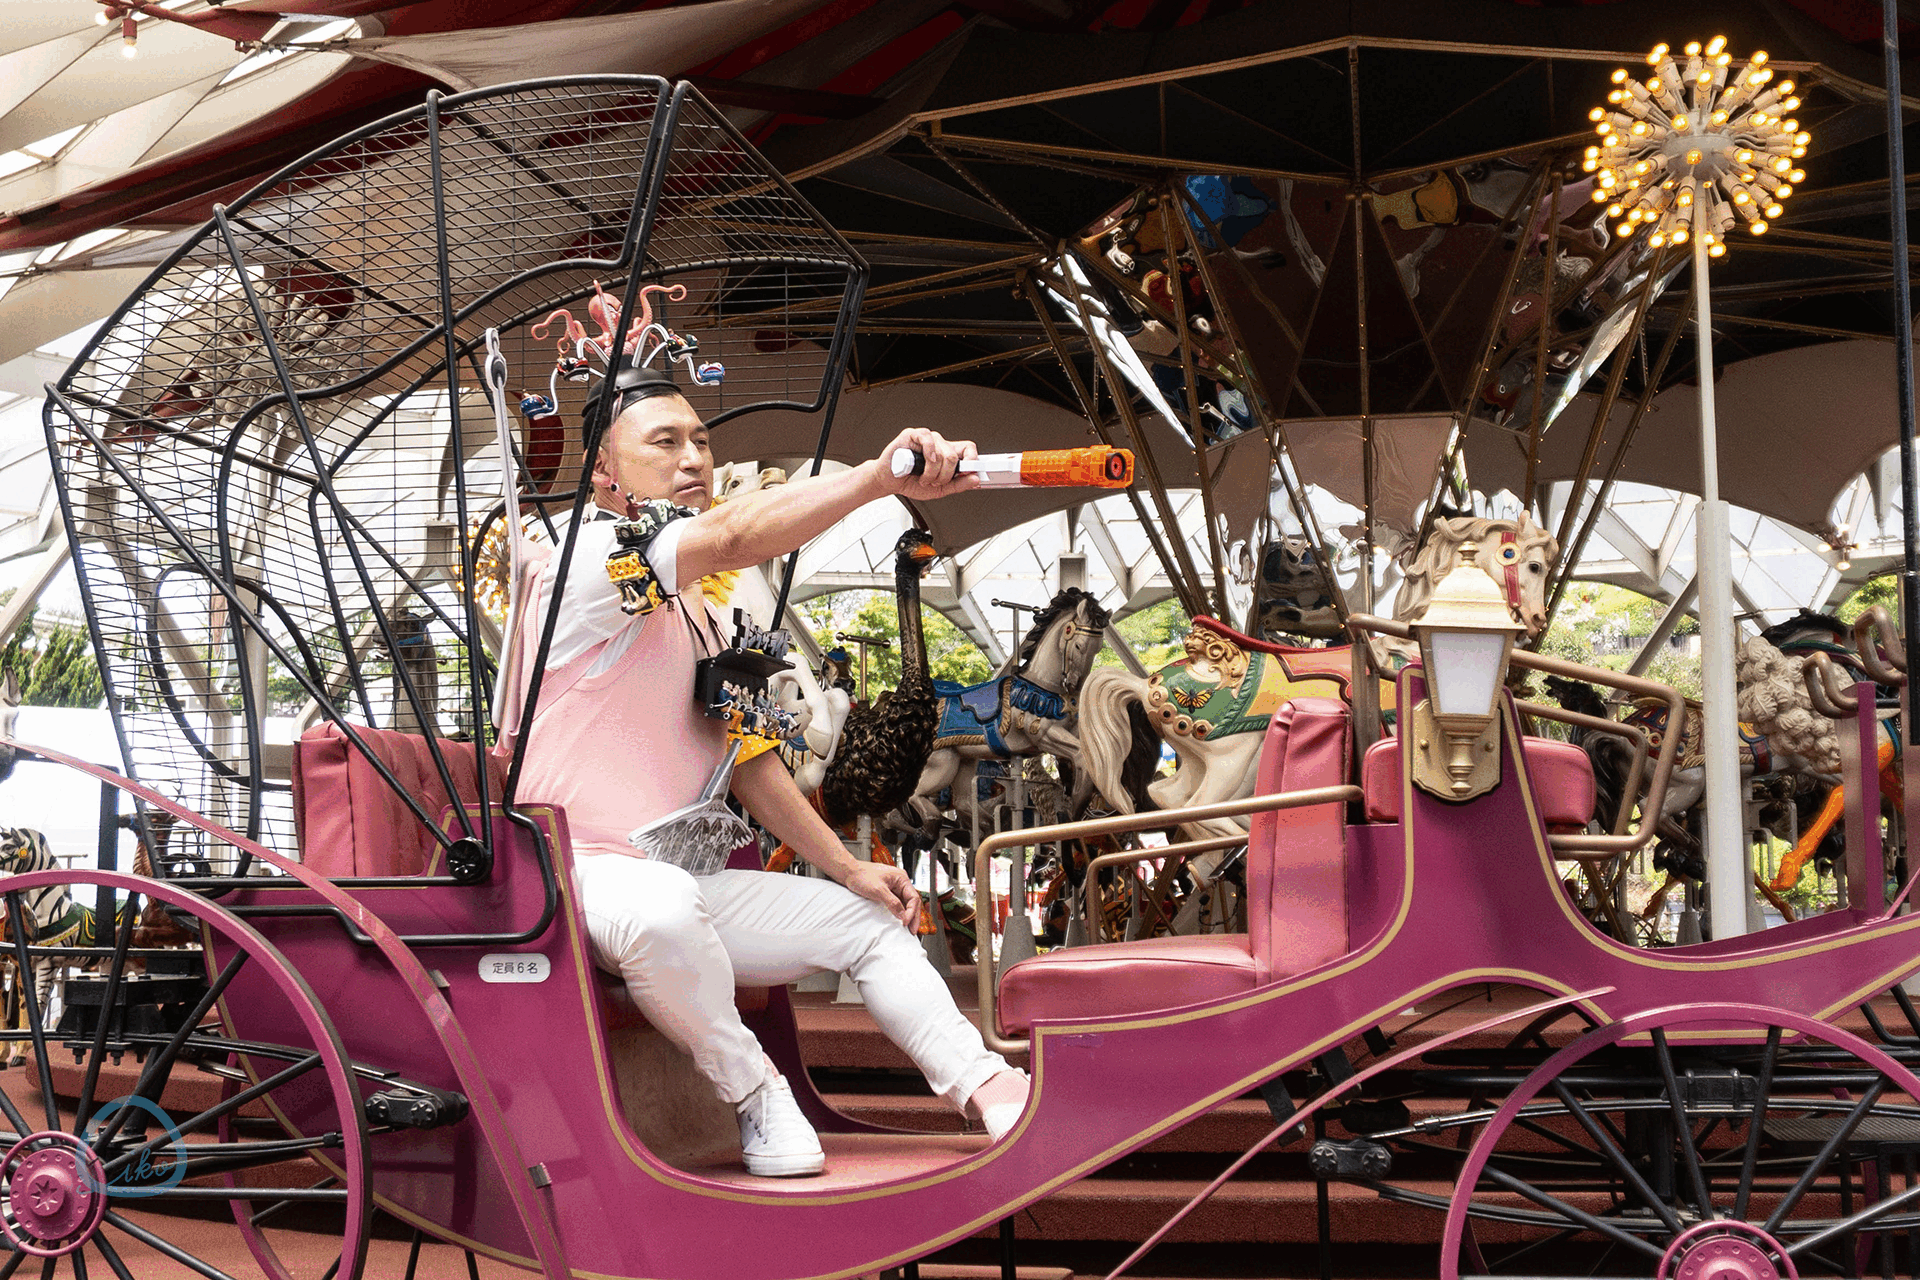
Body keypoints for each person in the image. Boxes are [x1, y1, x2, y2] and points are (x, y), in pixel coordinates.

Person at [506, 365, 1028, 1178]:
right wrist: (871, 477)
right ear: (605, 470)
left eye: (702, 441)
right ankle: (755, 1096)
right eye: (665, 442)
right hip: (574, 873)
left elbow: (747, 757)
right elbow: (735, 535)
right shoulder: (587, 556)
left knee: (870, 925)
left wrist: (851, 866)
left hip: (674, 875)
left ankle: (991, 1089)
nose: (693, 461)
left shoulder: (702, 607)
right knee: (666, 907)